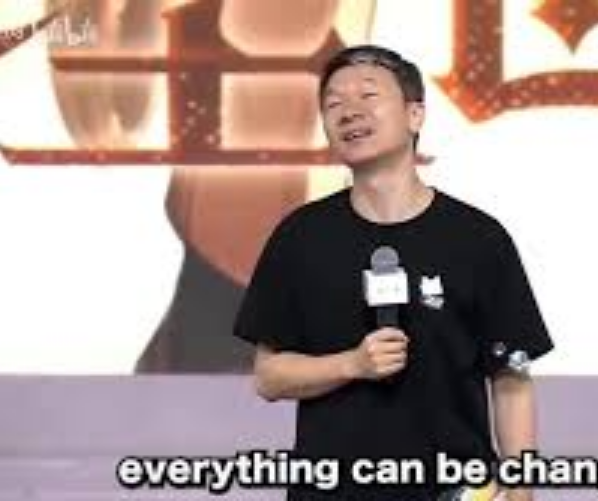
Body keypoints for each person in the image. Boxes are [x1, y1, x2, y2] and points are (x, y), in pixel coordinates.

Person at [234, 44, 553, 501]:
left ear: (415, 115)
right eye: (333, 104)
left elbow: (512, 377)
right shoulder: (301, 237)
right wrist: (352, 364)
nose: (349, 111)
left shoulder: (478, 239)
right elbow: (269, 376)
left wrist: (521, 488)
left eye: (368, 95)